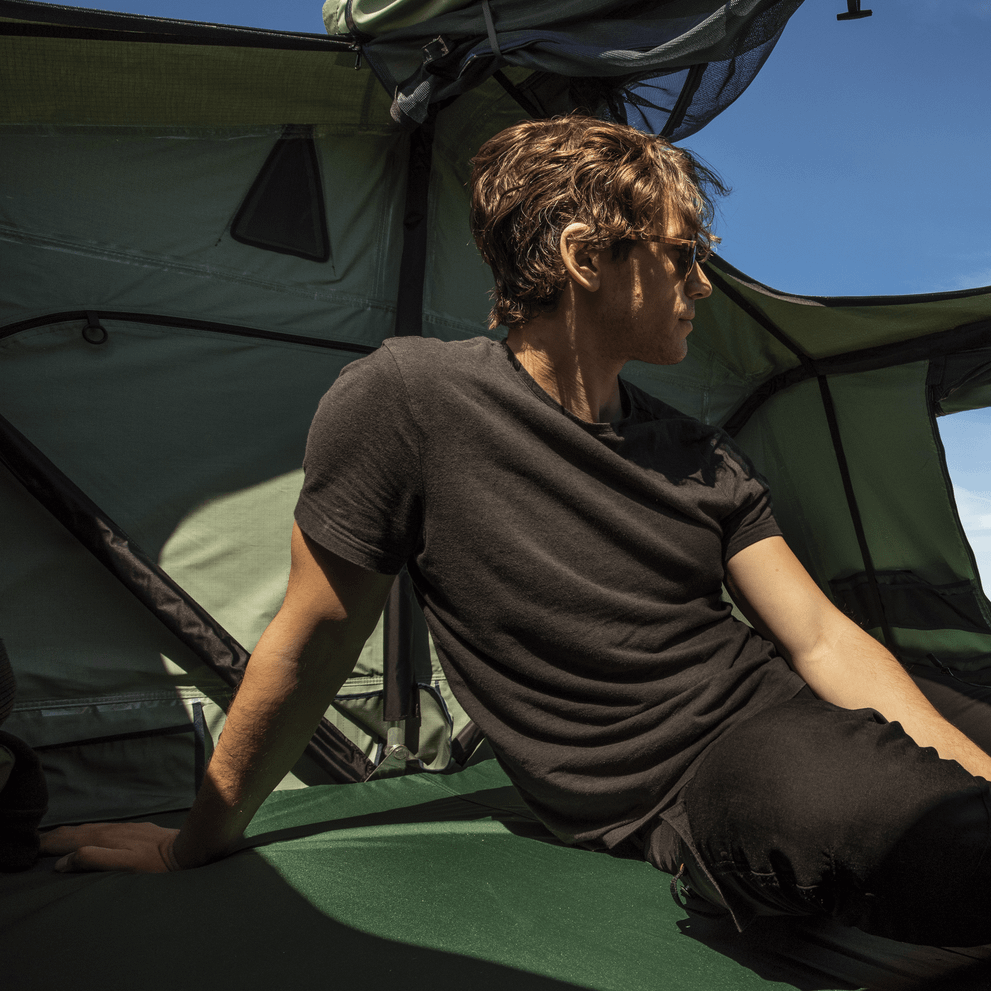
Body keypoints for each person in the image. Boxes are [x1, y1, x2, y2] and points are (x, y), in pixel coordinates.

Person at [41, 116, 991, 946]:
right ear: (585, 257)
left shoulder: (701, 454)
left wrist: (968, 760)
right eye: (681, 254)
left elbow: (818, 637)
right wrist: (194, 838)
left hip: (792, 708)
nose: (701, 282)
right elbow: (313, 636)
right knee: (907, 826)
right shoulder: (409, 399)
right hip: (696, 779)